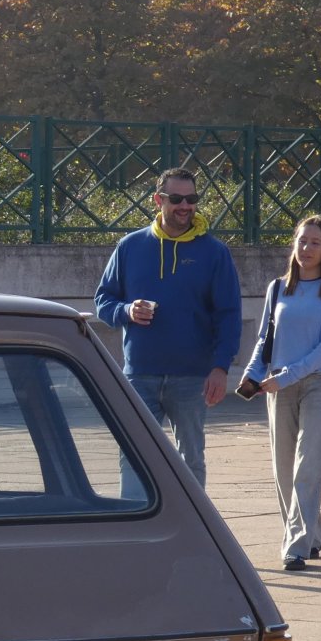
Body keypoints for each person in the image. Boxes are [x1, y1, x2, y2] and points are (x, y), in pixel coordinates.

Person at [95, 167, 242, 490]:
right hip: (139, 374)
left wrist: (220, 367)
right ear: (157, 200)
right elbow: (103, 301)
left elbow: (229, 314)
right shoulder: (130, 247)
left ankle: (193, 533)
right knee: (133, 454)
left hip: (192, 378)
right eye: (176, 199)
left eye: (192, 199)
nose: (185, 206)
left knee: (191, 460)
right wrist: (126, 310)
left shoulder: (214, 252)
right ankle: (134, 531)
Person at [237, 215, 321, 572]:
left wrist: (285, 376)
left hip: (318, 384)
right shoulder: (277, 288)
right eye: (301, 241)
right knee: (283, 470)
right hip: (277, 388)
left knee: (307, 468)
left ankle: (296, 547)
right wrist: (252, 375)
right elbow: (264, 341)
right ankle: (313, 534)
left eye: (314, 243)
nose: (306, 249)